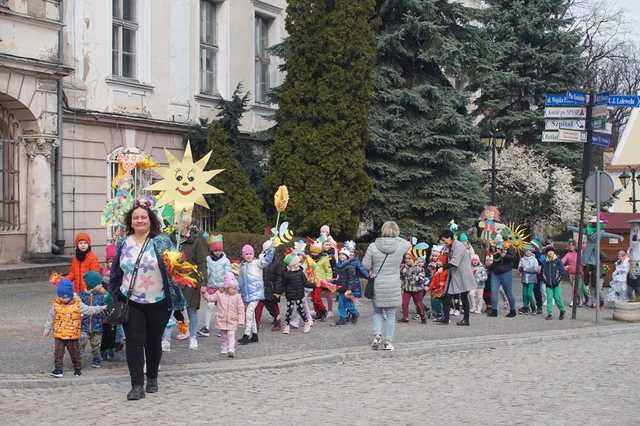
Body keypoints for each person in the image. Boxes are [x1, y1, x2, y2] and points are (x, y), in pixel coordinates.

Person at [108, 201, 186, 400]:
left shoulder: (161, 241)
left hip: (158, 302)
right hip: (131, 301)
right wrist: (114, 294)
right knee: (134, 342)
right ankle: (137, 385)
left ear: (150, 220)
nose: (140, 220)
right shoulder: (124, 242)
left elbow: (175, 269)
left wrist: (180, 267)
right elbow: (116, 270)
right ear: (130, 222)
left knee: (152, 342)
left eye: (143, 217)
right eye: (136, 217)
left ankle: (152, 376)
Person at [43, 278, 106, 378]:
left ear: (71, 295)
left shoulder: (78, 304)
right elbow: (50, 316)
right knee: (58, 353)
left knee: (75, 353)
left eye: (65, 297)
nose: (63, 299)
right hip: (59, 334)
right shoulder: (56, 305)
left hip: (72, 335)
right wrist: (47, 329)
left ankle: (77, 368)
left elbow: (89, 310)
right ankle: (58, 369)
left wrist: (101, 308)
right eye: (60, 296)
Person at [362, 221, 411, 351]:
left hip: (378, 284)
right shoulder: (400, 246)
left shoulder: (373, 246)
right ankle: (388, 342)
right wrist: (396, 236)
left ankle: (377, 335)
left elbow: (365, 265)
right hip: (393, 284)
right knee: (391, 314)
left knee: (377, 312)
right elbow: (408, 244)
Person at [171, 217, 208, 350]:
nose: (174, 225)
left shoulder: (196, 241)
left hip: (190, 280)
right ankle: (166, 338)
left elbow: (202, 262)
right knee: (171, 310)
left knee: (191, 309)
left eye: (176, 222)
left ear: (185, 225)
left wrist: (203, 282)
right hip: (174, 281)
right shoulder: (172, 240)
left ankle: (193, 337)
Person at [238, 240, 274, 344]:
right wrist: (238, 291)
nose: (248, 256)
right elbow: (240, 280)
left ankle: (246, 335)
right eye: (246, 254)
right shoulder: (242, 266)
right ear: (243, 255)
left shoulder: (258, 263)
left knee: (249, 313)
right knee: (251, 315)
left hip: (256, 293)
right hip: (246, 295)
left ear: (253, 254)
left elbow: (267, 260)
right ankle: (254, 335)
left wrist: (271, 250)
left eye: (250, 253)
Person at [436, 230, 475, 326]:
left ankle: (466, 320)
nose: (444, 242)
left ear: (450, 238)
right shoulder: (450, 246)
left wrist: (442, 268)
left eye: (444, 240)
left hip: (463, 275)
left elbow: (454, 262)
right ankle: (445, 318)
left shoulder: (459, 246)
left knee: (464, 296)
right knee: (447, 295)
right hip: (455, 274)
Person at [198, 234, 231, 338]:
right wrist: (204, 282)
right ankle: (206, 327)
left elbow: (228, 274)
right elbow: (206, 271)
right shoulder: (208, 259)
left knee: (221, 308)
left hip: (222, 288)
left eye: (219, 250)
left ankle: (222, 328)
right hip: (211, 286)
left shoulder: (225, 261)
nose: (217, 252)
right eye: (215, 250)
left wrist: (226, 285)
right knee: (210, 306)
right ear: (212, 250)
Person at [277, 249, 315, 334]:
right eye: (298, 262)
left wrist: (314, 285)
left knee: (301, 310)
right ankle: (286, 326)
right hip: (290, 295)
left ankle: (306, 323)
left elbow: (305, 283)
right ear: (293, 265)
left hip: (299, 295)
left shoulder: (301, 273)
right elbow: (283, 285)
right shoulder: (286, 274)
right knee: (289, 311)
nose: (300, 263)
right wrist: (278, 292)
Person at [210, 272, 246, 358]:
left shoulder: (237, 297)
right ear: (226, 288)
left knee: (231, 334)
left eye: (235, 288)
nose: (234, 290)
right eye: (232, 288)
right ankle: (224, 347)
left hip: (232, 320)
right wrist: (205, 294)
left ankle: (231, 349)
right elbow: (211, 298)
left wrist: (241, 320)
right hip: (222, 319)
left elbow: (241, 309)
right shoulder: (220, 294)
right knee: (223, 335)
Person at [79, 271, 107, 368]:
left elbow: (107, 305)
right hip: (84, 326)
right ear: (92, 285)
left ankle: (97, 360)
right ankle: (77, 360)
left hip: (97, 325)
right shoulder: (82, 296)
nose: (101, 285)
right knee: (81, 344)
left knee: (96, 345)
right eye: (99, 283)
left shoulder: (102, 295)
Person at [487, 239, 517, 318]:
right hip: (495, 272)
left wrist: (504, 254)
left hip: (506, 272)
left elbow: (512, 258)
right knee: (493, 291)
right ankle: (494, 311)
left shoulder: (509, 247)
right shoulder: (494, 246)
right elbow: (493, 260)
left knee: (508, 292)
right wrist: (488, 267)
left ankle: (513, 310)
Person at [541, 246, 567, 320]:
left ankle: (562, 310)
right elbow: (542, 273)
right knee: (549, 298)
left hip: (556, 284)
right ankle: (549, 314)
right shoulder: (545, 262)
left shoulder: (558, 261)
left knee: (557, 297)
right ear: (547, 253)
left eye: (551, 251)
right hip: (548, 284)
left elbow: (562, 272)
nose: (550, 252)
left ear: (554, 252)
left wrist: (557, 281)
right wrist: (545, 281)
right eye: (548, 251)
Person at [399, 253, 427, 323]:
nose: (408, 260)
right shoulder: (403, 267)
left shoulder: (419, 267)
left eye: (409, 258)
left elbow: (422, 278)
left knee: (418, 303)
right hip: (407, 288)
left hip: (416, 289)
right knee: (404, 303)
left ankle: (423, 317)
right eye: (406, 258)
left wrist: (416, 277)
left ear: (413, 259)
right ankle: (405, 317)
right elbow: (401, 276)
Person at [334, 248, 359, 325]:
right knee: (341, 305)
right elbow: (337, 277)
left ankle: (355, 314)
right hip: (341, 289)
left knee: (349, 305)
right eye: (340, 254)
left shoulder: (350, 267)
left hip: (347, 290)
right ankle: (343, 318)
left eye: (343, 255)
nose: (341, 256)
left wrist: (349, 289)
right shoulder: (337, 266)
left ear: (347, 257)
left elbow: (352, 279)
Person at [518, 248, 540, 315]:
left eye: (529, 251)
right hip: (524, 279)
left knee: (529, 294)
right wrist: (521, 268)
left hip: (531, 279)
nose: (528, 252)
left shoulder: (534, 259)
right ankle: (525, 307)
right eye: (526, 251)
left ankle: (533, 307)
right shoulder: (522, 259)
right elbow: (519, 268)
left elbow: (536, 270)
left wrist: (526, 269)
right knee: (524, 294)